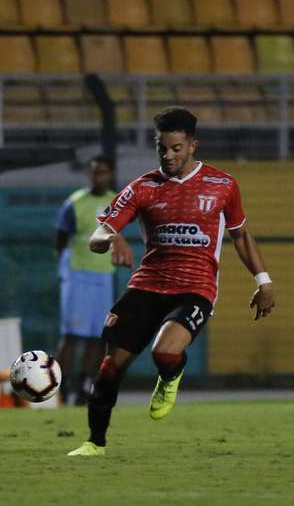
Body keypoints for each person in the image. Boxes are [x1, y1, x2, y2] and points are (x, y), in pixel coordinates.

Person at [68, 107, 276, 456]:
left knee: (164, 352)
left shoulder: (223, 185)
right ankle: (94, 443)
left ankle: (169, 376)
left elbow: (240, 236)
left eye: (176, 148)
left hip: (196, 287)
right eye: (162, 148)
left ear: (193, 145)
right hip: (148, 284)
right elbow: (97, 236)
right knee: (110, 366)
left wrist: (264, 281)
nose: (168, 155)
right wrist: (112, 238)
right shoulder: (142, 188)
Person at [55, 156, 133, 405]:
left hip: (102, 277)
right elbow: (60, 239)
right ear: (88, 175)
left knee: (95, 336)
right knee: (71, 335)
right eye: (94, 173)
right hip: (77, 276)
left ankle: (84, 387)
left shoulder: (116, 202)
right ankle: (60, 387)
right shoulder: (75, 203)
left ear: (110, 174)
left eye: (102, 172)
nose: (97, 177)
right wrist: (64, 270)